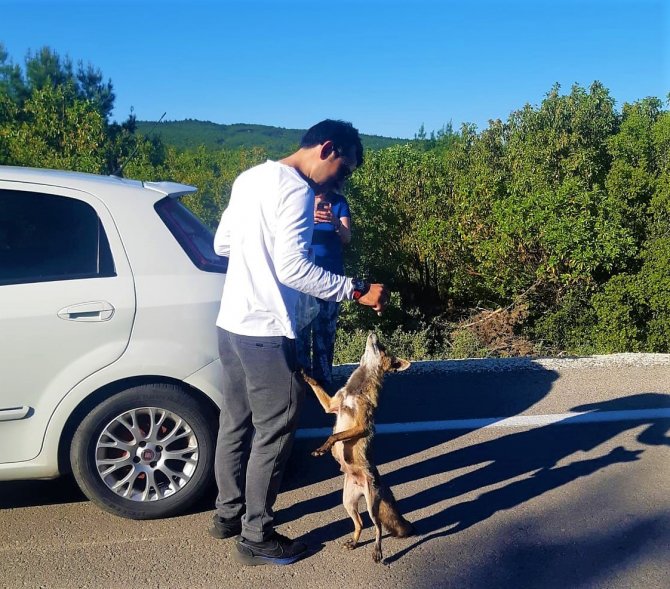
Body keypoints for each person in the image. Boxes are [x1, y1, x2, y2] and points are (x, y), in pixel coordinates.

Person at [210, 119, 388, 566]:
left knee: (235, 421)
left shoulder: (249, 178)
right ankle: (256, 536)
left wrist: (260, 259)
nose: (342, 180)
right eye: (344, 169)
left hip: (231, 322)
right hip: (266, 330)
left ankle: (228, 514)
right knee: (275, 428)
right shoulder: (297, 190)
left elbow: (223, 244)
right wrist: (356, 289)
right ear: (326, 148)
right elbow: (293, 269)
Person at [297, 184, 352, 387]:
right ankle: (303, 381)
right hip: (302, 278)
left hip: (331, 277)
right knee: (301, 330)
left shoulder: (339, 203)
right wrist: (309, 218)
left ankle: (322, 380)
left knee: (325, 331)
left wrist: (335, 222)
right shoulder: (300, 201)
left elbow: (347, 238)